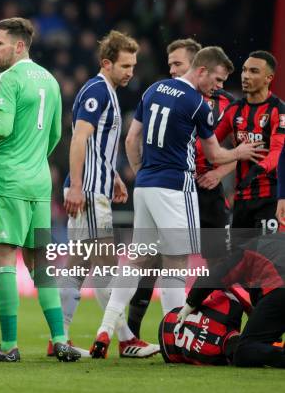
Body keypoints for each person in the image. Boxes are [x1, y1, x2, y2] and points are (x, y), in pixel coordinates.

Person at [91, 46, 267, 358]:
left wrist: (142, 173)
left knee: (136, 258)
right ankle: (175, 338)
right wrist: (239, 153)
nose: (218, 86)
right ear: (201, 70)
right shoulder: (197, 103)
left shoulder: (154, 88)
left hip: (145, 186)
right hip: (174, 187)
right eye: (217, 79)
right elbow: (214, 155)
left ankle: (106, 328)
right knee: (176, 262)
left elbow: (132, 140)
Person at [0, 17, 76, 363]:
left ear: (18, 45)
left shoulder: (6, 79)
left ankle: (9, 346)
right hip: (39, 182)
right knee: (41, 264)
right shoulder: (50, 79)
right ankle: (60, 338)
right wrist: (33, 161)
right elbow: (57, 134)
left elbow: (2, 127)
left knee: (3, 263)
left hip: (7, 181)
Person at [127, 38, 236, 340]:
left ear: (195, 64)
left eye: (177, 63)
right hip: (177, 185)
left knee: (213, 261)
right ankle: (147, 332)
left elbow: (233, 150)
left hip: (204, 191)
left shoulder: (224, 102)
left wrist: (219, 173)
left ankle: (215, 324)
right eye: (169, 63)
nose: (171, 69)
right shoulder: (185, 97)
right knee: (157, 260)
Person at [58, 30, 157, 358]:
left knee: (89, 266)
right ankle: (115, 338)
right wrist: (76, 185)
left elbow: (96, 144)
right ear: (106, 63)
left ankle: (68, 335)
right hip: (86, 191)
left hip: (96, 187)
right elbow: (79, 138)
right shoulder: (97, 91)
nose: (131, 71)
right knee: (96, 265)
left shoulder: (109, 92)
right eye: (125, 65)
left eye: (133, 65)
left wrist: (112, 174)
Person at [176, 232, 285, 367]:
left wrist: (188, 305)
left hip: (279, 289)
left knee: (244, 351)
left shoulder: (243, 253)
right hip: (278, 289)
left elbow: (212, 278)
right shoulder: (273, 240)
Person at [215, 51, 284, 247]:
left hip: (270, 198)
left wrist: (257, 169)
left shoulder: (279, 111)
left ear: (268, 78)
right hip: (242, 199)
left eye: (254, 71)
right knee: (239, 264)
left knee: (266, 261)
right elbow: (209, 144)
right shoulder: (233, 110)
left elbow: (278, 153)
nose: (245, 76)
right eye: (244, 70)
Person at [159, 290, 247, 365]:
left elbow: (219, 286)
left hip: (172, 318)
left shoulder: (231, 310)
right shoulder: (216, 359)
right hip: (168, 351)